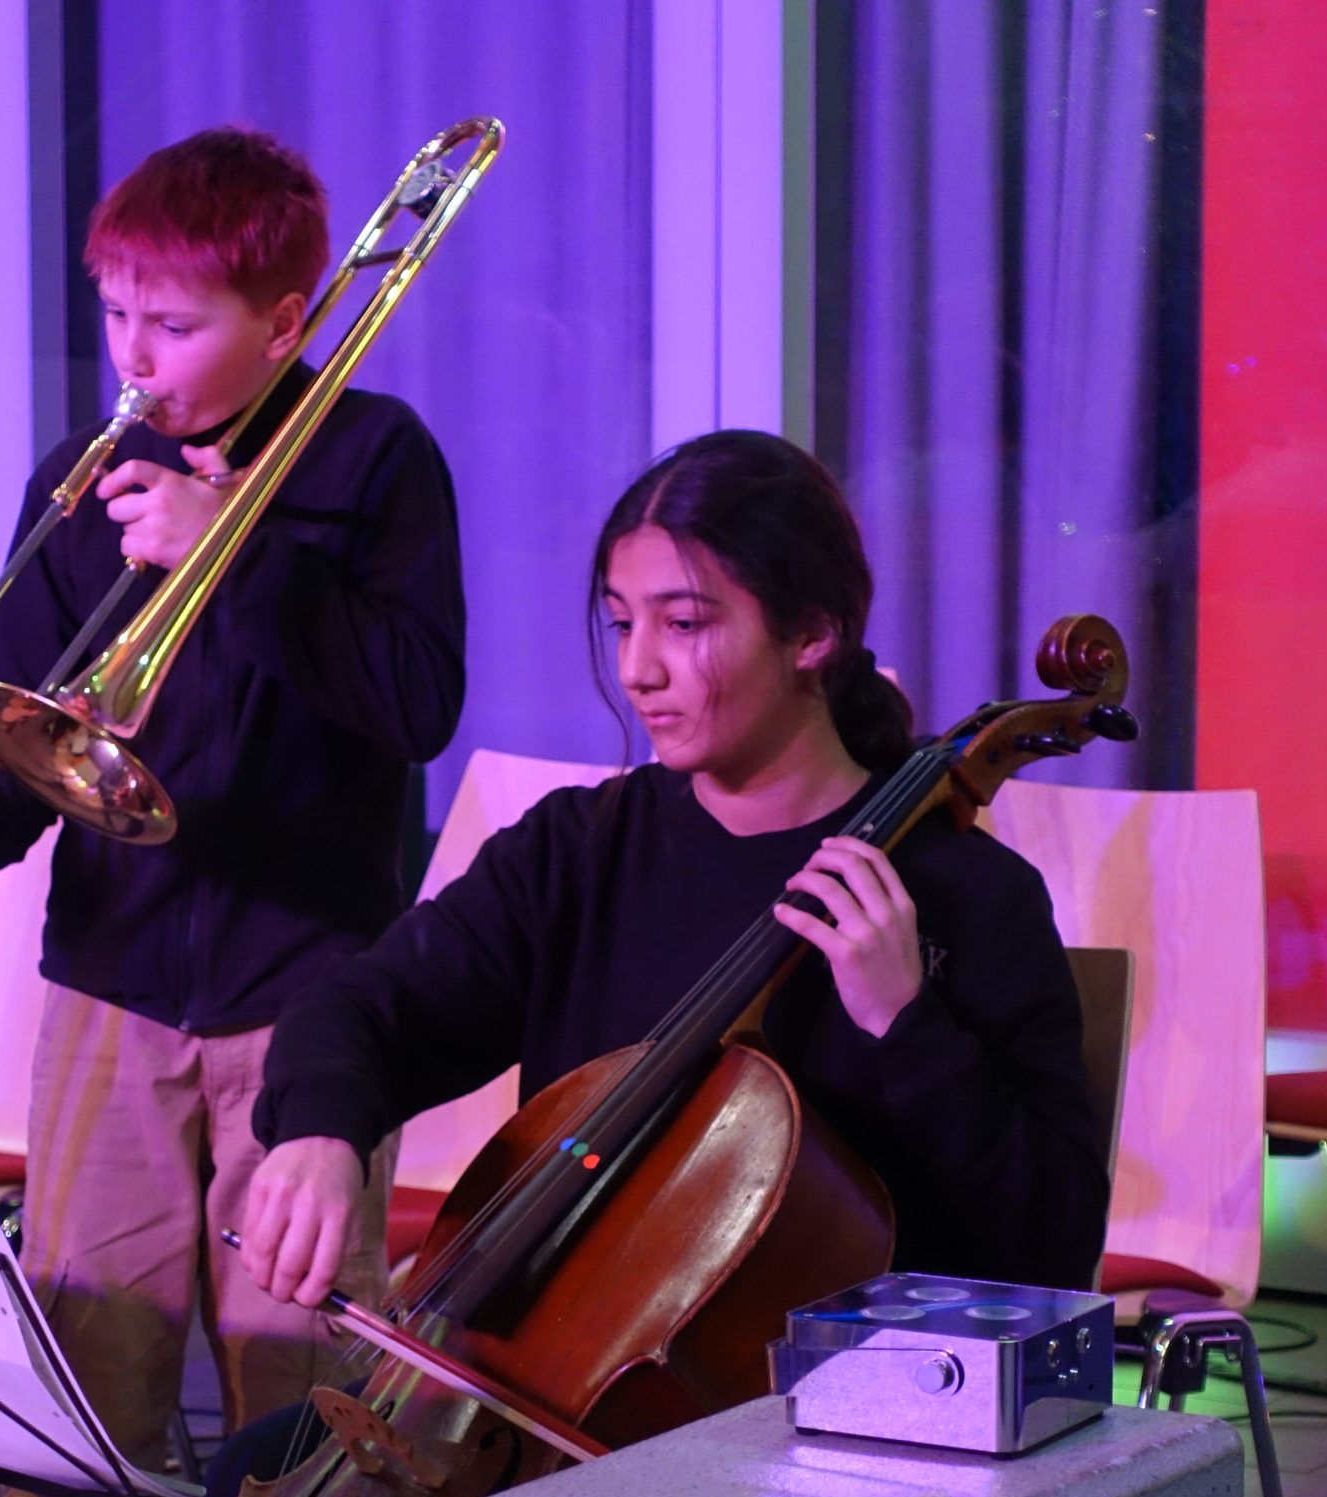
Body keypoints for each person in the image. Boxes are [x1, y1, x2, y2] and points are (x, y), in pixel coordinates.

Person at [0, 128, 468, 1497]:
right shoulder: (87, 477)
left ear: (288, 319)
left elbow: (417, 703)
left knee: (294, 1371)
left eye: (175, 323)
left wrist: (231, 558)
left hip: (308, 995)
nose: (134, 354)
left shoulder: (374, 461)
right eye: (118, 312)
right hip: (111, 984)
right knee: (78, 1379)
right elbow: (32, 729)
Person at [238, 429, 1109, 1333]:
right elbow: (363, 1007)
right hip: (568, 1377)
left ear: (813, 634)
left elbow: (1053, 1245)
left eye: (684, 624)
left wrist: (908, 1022)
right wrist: (319, 1132)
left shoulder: (966, 895)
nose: (637, 670)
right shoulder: (577, 853)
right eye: (623, 623)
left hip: (848, 1399)